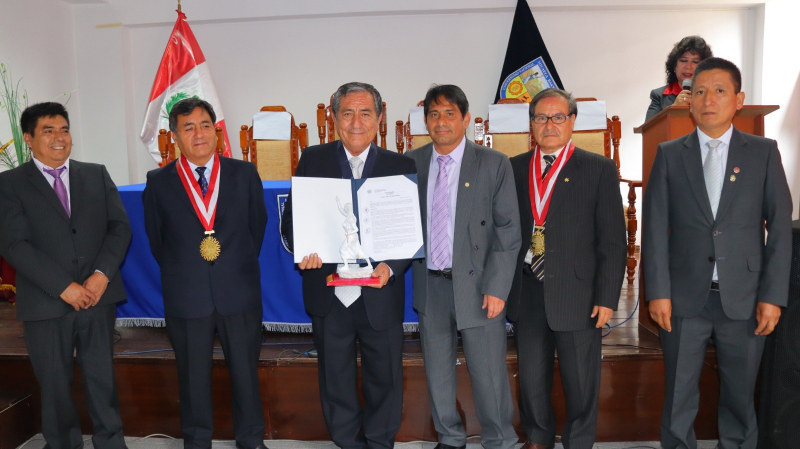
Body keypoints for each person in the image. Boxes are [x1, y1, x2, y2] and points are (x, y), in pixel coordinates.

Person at [643, 57, 792, 449]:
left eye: (720, 90)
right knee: (678, 396)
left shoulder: (763, 152)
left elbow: (779, 228)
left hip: (744, 298)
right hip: (682, 299)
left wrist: (772, 296)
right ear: (688, 101)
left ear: (738, 99)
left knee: (741, 397)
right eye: (700, 92)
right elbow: (655, 227)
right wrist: (657, 291)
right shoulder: (670, 154)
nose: (709, 99)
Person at [280, 82, 416, 449]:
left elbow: (410, 229)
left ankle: (379, 442)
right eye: (348, 113)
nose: (357, 121)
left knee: (384, 376)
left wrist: (393, 265)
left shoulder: (400, 164)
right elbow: (291, 222)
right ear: (334, 118)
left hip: (379, 289)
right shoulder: (313, 159)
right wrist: (304, 251)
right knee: (335, 377)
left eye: (365, 113)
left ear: (380, 118)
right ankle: (347, 442)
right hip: (330, 288)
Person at [0, 102, 132, 449]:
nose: (59, 138)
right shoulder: (10, 183)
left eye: (64, 129)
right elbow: (14, 245)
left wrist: (101, 274)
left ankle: (111, 443)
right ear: (29, 138)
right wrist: (64, 287)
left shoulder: (95, 173)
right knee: (55, 385)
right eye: (48, 130)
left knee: (102, 380)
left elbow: (119, 228)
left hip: (97, 297)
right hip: (46, 302)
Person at [142, 98, 268, 449]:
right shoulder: (159, 182)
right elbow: (158, 241)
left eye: (204, 125)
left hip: (238, 291)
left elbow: (256, 229)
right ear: (176, 137)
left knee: (245, 374)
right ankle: (197, 441)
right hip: (187, 294)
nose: (198, 134)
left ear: (216, 130)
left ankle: (252, 439)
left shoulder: (244, 174)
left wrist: (232, 269)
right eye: (188, 127)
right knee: (192, 377)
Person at [506, 89, 627, 449]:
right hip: (527, 289)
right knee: (531, 379)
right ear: (531, 124)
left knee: (580, 382)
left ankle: (578, 442)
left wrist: (607, 297)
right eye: (541, 118)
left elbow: (612, 241)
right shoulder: (512, 168)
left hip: (578, 294)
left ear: (572, 121)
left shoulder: (599, 168)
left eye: (558, 117)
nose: (549, 125)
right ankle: (539, 438)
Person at [405, 84, 521, 449]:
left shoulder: (492, 163)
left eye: (450, 113)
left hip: (479, 285)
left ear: (466, 119)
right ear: (425, 121)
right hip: (431, 284)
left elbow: (508, 230)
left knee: (488, 373)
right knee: (438, 372)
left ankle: (500, 439)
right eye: (434, 114)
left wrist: (497, 287)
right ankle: (450, 438)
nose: (442, 122)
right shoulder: (411, 163)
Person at [646, 36, 713, 121]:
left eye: (695, 62)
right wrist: (673, 109)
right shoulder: (659, 95)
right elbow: (649, 131)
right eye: (683, 61)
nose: (688, 67)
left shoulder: (713, 94)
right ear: (674, 65)